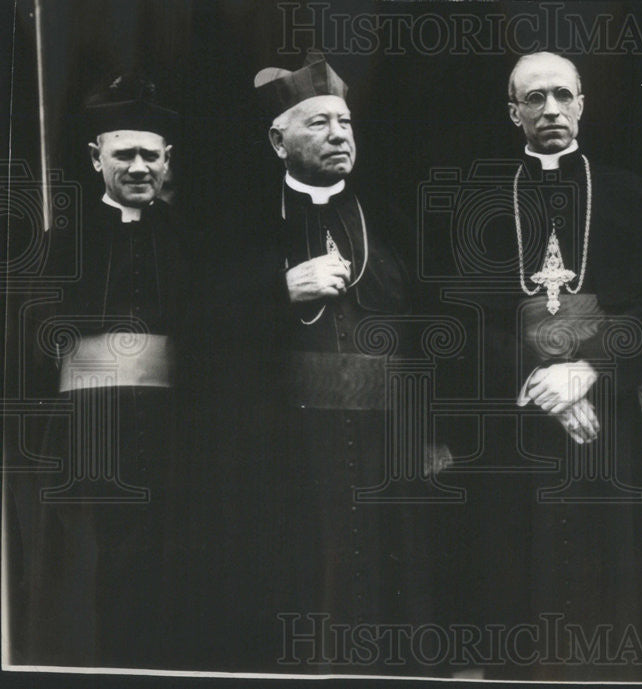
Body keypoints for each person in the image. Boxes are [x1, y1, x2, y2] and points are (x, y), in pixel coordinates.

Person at [443, 51, 642, 681]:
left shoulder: (631, 195)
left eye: (563, 94)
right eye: (534, 98)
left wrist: (587, 369)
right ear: (513, 111)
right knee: (523, 584)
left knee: (617, 580)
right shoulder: (478, 202)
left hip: (609, 415)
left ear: (582, 104)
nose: (550, 108)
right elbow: (459, 322)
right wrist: (538, 379)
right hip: (519, 424)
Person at [192, 51, 429, 673]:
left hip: (386, 440)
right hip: (290, 446)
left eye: (345, 122)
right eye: (318, 122)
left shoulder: (392, 220)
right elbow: (204, 330)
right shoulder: (242, 229)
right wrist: (280, 291)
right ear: (279, 140)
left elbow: (428, 332)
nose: (337, 135)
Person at [9, 75, 189, 668]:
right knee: (88, 571)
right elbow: (34, 344)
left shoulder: (187, 242)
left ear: (168, 162)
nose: (139, 167)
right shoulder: (58, 242)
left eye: (151, 155)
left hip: (169, 432)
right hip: (84, 433)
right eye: (124, 154)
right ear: (95, 158)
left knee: (163, 570)